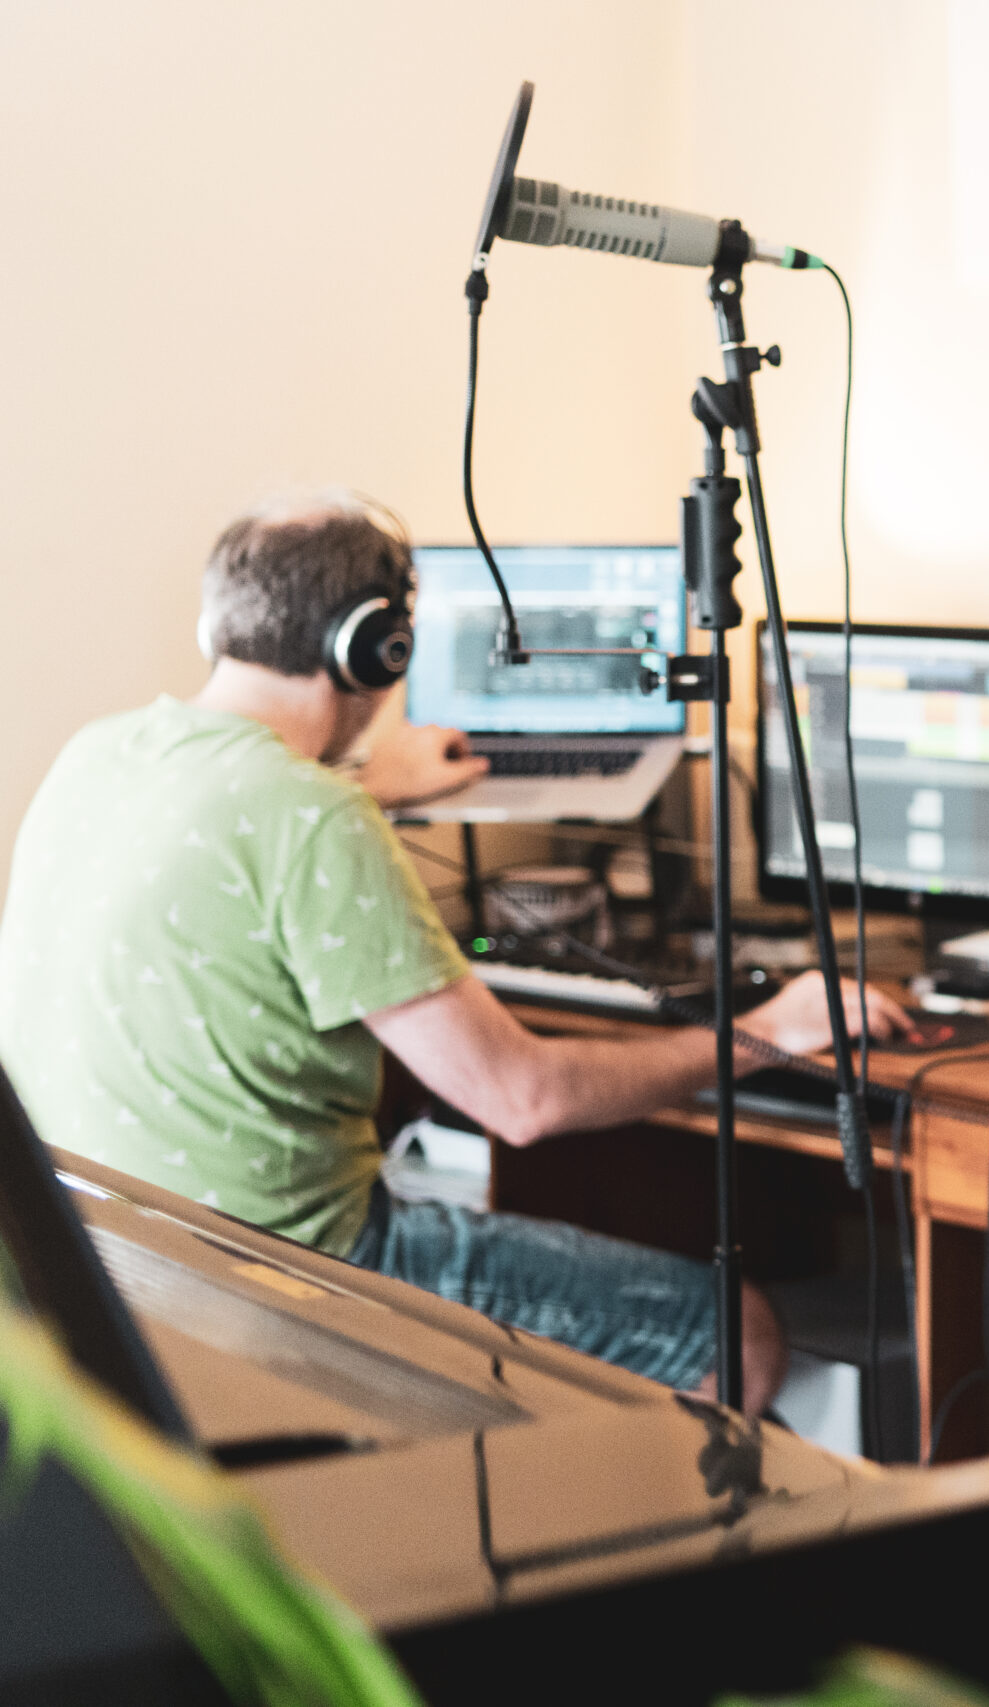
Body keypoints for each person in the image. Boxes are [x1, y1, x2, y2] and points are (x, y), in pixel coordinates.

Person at [0, 493, 909, 1416]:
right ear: (376, 646)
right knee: (734, 1328)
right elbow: (524, 1099)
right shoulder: (313, 816)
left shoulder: (99, 754)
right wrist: (767, 1030)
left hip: (128, 1270)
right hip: (295, 1276)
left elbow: (248, 830)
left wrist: (365, 784)